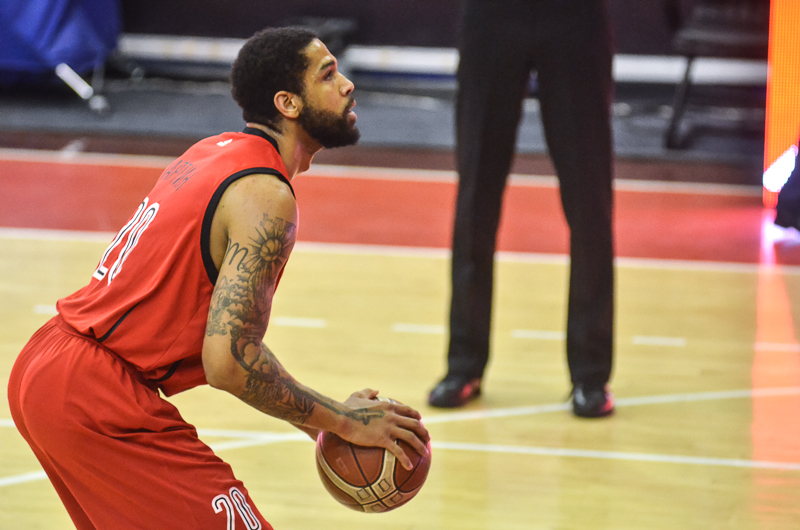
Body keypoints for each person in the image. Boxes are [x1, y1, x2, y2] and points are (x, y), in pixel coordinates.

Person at [7, 27, 430, 530]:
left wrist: (325, 422)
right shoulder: (266, 195)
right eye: (327, 75)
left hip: (51, 365)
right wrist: (342, 420)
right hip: (94, 392)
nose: (347, 85)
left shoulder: (214, 150)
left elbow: (231, 347)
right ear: (288, 103)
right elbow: (228, 362)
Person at [427, 0, 616, 418]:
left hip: (574, 17)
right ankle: (464, 365)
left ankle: (590, 374)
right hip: (493, 16)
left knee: (589, 199)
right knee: (476, 193)